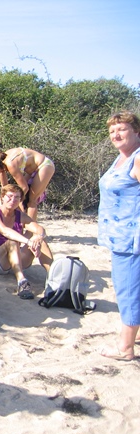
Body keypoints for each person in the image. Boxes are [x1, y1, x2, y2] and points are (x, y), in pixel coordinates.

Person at [97, 111, 140, 361]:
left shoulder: (137, 159)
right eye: (112, 131)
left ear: (136, 131)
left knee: (127, 291)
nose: (116, 134)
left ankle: (125, 348)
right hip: (119, 237)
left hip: (131, 239)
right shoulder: (122, 159)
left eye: (121, 129)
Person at [0, 184, 53, 299]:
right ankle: (22, 282)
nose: (13, 200)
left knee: (40, 241)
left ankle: (53, 277)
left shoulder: (20, 216)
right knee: (12, 241)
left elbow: (39, 228)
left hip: (15, 259)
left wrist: (38, 237)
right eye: (9, 196)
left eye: (17, 197)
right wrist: (28, 242)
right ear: (2, 198)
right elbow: (5, 231)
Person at [0, 148, 55, 220]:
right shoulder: (0, 165)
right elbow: (4, 189)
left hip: (44, 165)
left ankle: (31, 232)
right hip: (32, 171)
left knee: (31, 200)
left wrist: (15, 202)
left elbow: (24, 187)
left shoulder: (10, 164)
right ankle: (20, 226)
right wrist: (1, 207)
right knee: (17, 199)